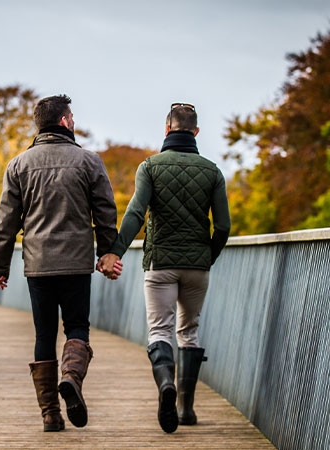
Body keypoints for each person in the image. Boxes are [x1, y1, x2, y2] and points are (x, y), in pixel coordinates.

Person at [0, 94, 118, 432]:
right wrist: (107, 252)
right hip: (76, 263)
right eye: (71, 116)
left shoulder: (18, 165)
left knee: (44, 333)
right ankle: (71, 378)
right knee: (76, 327)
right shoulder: (89, 161)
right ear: (64, 121)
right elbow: (105, 212)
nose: (73, 120)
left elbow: (7, 221)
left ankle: (50, 414)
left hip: (38, 265)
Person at [97, 102, 230, 433]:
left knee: (160, 330)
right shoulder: (212, 171)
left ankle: (165, 384)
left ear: (167, 129)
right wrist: (206, 257)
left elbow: (135, 214)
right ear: (196, 132)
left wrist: (115, 252)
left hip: (160, 264)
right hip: (197, 266)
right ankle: (185, 409)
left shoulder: (150, 167)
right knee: (189, 330)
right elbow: (224, 227)